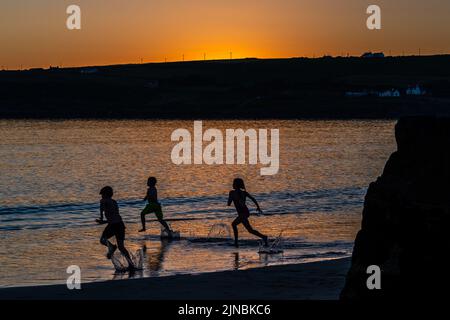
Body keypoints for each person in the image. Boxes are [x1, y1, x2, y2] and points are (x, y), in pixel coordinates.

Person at [98, 186, 135, 270]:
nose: (101, 196)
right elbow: (114, 216)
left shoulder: (103, 201)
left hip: (113, 225)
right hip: (120, 225)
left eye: (102, 194)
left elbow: (103, 210)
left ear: (106, 194)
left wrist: (101, 218)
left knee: (102, 240)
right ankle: (131, 264)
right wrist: (103, 220)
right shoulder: (114, 202)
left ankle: (112, 247)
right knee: (121, 247)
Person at [227, 178, 269, 248]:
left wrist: (231, 198)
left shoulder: (232, 193)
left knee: (234, 224)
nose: (232, 184)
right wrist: (258, 207)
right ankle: (264, 237)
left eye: (233, 183)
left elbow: (228, 204)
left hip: (243, 213)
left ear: (236, 185)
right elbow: (253, 199)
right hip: (245, 212)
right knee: (250, 230)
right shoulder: (244, 193)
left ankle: (236, 243)